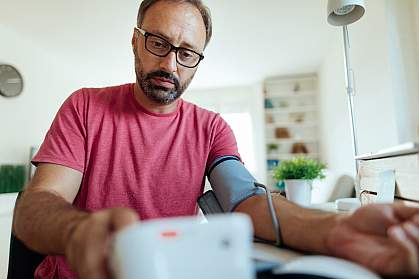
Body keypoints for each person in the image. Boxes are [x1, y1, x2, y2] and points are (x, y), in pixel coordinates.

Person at [13, 0, 419, 278]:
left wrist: (336, 231)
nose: (170, 63)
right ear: (135, 40)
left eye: (187, 52)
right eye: (158, 43)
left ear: (199, 62)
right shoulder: (84, 107)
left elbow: (244, 200)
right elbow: (38, 203)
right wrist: (76, 231)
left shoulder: (211, 128)